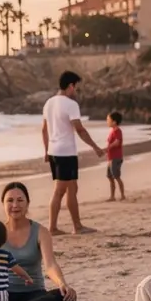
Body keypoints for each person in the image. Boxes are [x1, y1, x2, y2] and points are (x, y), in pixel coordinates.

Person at [41, 71, 105, 235]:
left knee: (72, 188)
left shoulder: (49, 102)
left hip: (55, 151)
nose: (76, 91)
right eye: (76, 87)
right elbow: (80, 130)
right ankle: (54, 228)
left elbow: (44, 129)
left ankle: (77, 225)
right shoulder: (70, 104)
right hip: (65, 153)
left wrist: (46, 150)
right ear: (70, 86)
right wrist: (96, 147)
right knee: (60, 191)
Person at [105, 111, 125, 202]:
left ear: (114, 122)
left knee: (116, 176)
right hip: (110, 158)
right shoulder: (112, 131)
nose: (107, 121)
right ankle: (112, 196)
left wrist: (107, 148)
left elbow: (117, 142)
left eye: (108, 120)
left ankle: (122, 195)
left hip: (116, 157)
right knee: (110, 176)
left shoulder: (117, 131)